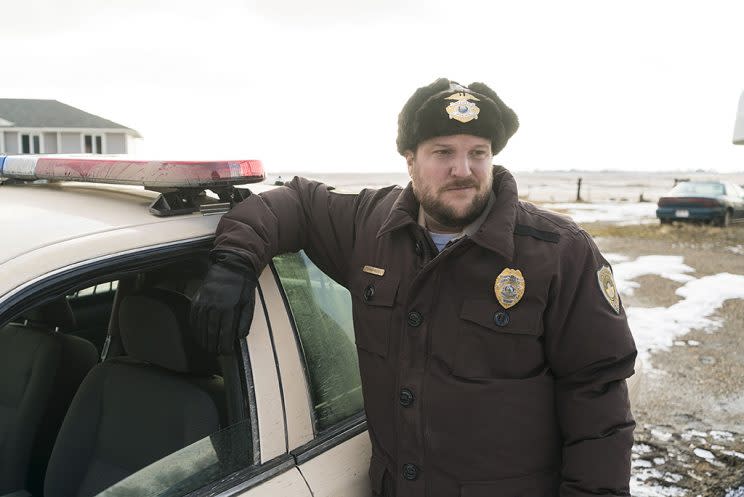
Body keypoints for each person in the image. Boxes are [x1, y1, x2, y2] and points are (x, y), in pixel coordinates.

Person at [190, 78, 637, 497]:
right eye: (443, 152)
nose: (463, 170)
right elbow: (297, 204)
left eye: (478, 152)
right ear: (410, 160)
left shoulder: (558, 252)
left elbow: (597, 401)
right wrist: (235, 260)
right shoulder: (372, 225)